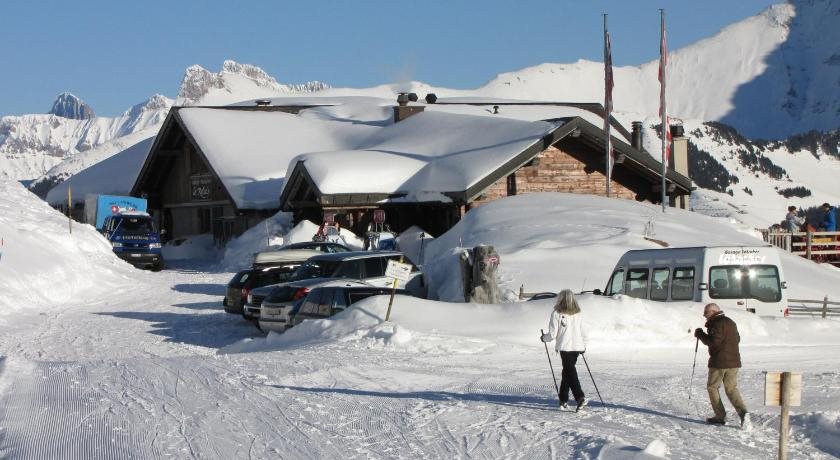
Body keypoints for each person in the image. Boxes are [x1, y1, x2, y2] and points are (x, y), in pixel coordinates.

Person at [694, 303, 750, 428]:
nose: (704, 316)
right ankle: (744, 415)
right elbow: (737, 339)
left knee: (712, 387)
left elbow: (713, 342)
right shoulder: (730, 322)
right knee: (731, 389)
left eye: (706, 313)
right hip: (734, 362)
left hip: (719, 362)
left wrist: (700, 334)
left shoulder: (717, 323)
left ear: (713, 311)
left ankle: (720, 416)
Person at [541, 289, 588, 410]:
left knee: (570, 371)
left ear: (560, 299)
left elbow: (552, 334)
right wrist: (584, 345)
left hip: (565, 347)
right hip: (577, 347)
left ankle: (579, 397)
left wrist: (544, 338)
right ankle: (563, 399)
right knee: (567, 371)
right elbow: (584, 331)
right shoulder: (578, 313)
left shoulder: (557, 313)